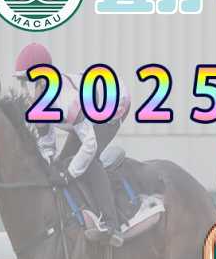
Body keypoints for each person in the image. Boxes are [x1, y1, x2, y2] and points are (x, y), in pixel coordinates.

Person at [14, 43, 130, 246]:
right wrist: (51, 165)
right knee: (62, 162)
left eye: (29, 84)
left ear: (43, 81)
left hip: (114, 104)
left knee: (88, 161)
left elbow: (90, 144)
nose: (26, 92)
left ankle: (112, 224)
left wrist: (68, 174)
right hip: (88, 111)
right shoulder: (43, 102)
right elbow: (47, 143)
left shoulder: (66, 101)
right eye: (22, 84)